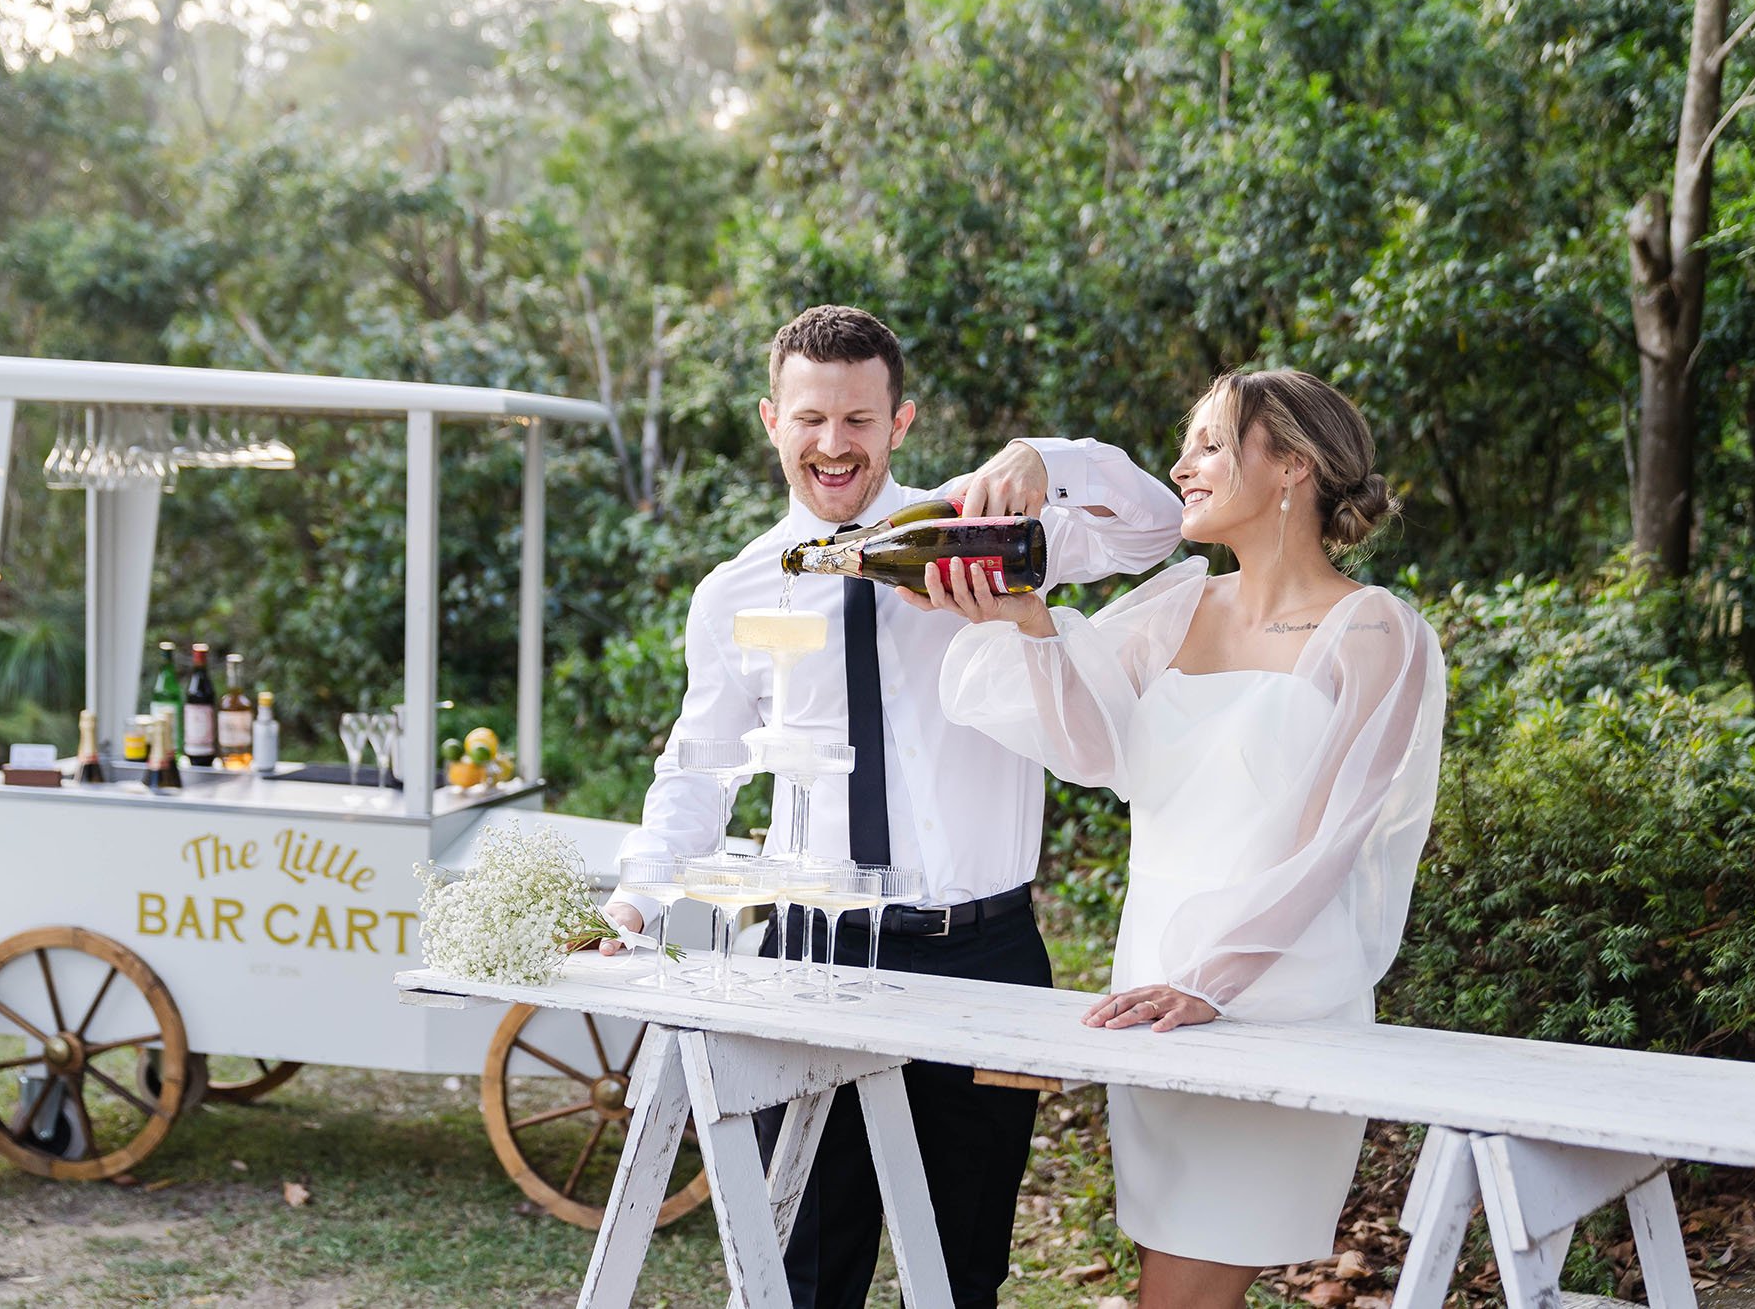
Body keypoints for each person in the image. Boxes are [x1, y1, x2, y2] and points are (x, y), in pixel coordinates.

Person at [600, 304, 1182, 1308]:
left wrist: (1046, 459)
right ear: (768, 419)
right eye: (811, 418)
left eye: (859, 421)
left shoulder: (979, 533)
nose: (834, 445)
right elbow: (697, 772)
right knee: (804, 1267)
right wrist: (637, 901)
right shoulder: (733, 592)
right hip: (808, 953)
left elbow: (1157, 526)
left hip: (983, 957)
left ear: (899, 422)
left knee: (960, 1274)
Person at [922, 368, 1445, 1309]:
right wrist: (1031, 624)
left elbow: (1333, 842)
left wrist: (1213, 982)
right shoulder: (1177, 604)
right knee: (1175, 1275)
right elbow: (1091, 748)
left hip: (1277, 997)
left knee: (1182, 1291)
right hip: (1151, 988)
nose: (1182, 465)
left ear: (1292, 464)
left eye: (1209, 443)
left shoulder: (1374, 631)